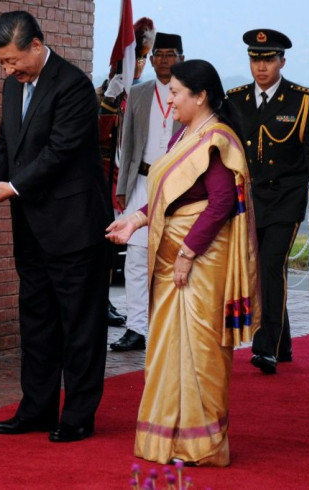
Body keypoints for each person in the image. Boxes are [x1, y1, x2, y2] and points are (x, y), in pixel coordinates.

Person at [106, 59, 260, 466]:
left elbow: (222, 203)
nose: (169, 100)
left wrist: (188, 253)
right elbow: (174, 198)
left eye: (175, 93)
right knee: (168, 349)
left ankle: (200, 445)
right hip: (176, 251)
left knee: (199, 352)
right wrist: (137, 220)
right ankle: (169, 439)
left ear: (201, 96)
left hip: (200, 260)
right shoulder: (185, 134)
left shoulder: (216, 138)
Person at [0, 11, 112, 443]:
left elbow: (59, 153)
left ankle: (77, 414)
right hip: (31, 225)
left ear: (36, 45)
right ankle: (35, 409)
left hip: (75, 227)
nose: (7, 70)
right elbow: (7, 142)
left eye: (12, 60)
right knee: (36, 320)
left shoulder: (72, 86)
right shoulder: (10, 86)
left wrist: (11, 186)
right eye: (1, 63)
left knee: (80, 325)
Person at [226, 29, 309, 375]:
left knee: (271, 265)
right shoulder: (236, 100)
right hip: (250, 199)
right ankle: (285, 343)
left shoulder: (302, 100)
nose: (261, 67)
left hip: (287, 198)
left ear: (282, 61)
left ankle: (266, 348)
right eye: (255, 59)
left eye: (269, 59)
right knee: (260, 271)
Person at [111, 33, 184, 352]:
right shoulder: (139, 94)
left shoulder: (191, 92)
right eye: (159, 54)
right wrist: (123, 186)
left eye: (170, 54)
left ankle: (174, 327)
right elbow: (126, 145)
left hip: (181, 186)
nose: (164, 59)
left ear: (181, 57)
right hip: (142, 182)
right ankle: (136, 328)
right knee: (136, 259)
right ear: (151, 59)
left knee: (176, 256)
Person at [98, 17, 155, 329]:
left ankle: (130, 315)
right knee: (102, 245)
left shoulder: (144, 97)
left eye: (144, 58)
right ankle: (101, 300)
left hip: (132, 182)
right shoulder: (102, 93)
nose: (139, 64)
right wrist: (110, 101)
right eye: (135, 58)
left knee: (130, 252)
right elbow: (96, 138)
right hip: (103, 181)